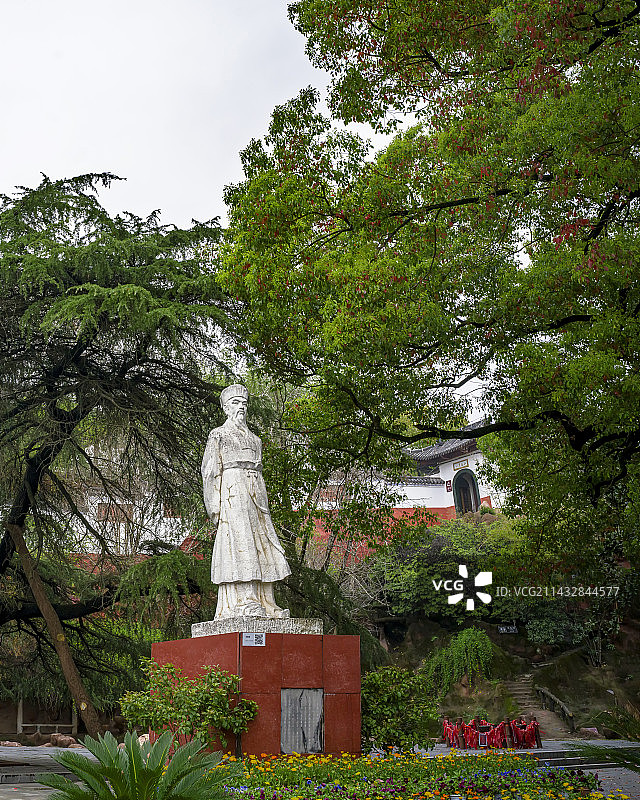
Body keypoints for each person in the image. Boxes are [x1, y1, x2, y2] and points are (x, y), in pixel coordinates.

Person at [201, 384, 291, 619]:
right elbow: (210, 472)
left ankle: (267, 602)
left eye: (244, 403)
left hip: (256, 492)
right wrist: (214, 506)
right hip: (233, 492)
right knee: (241, 543)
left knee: (263, 541)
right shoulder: (218, 435)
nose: (240, 407)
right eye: (235, 403)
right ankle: (245, 600)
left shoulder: (256, 440)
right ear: (225, 407)